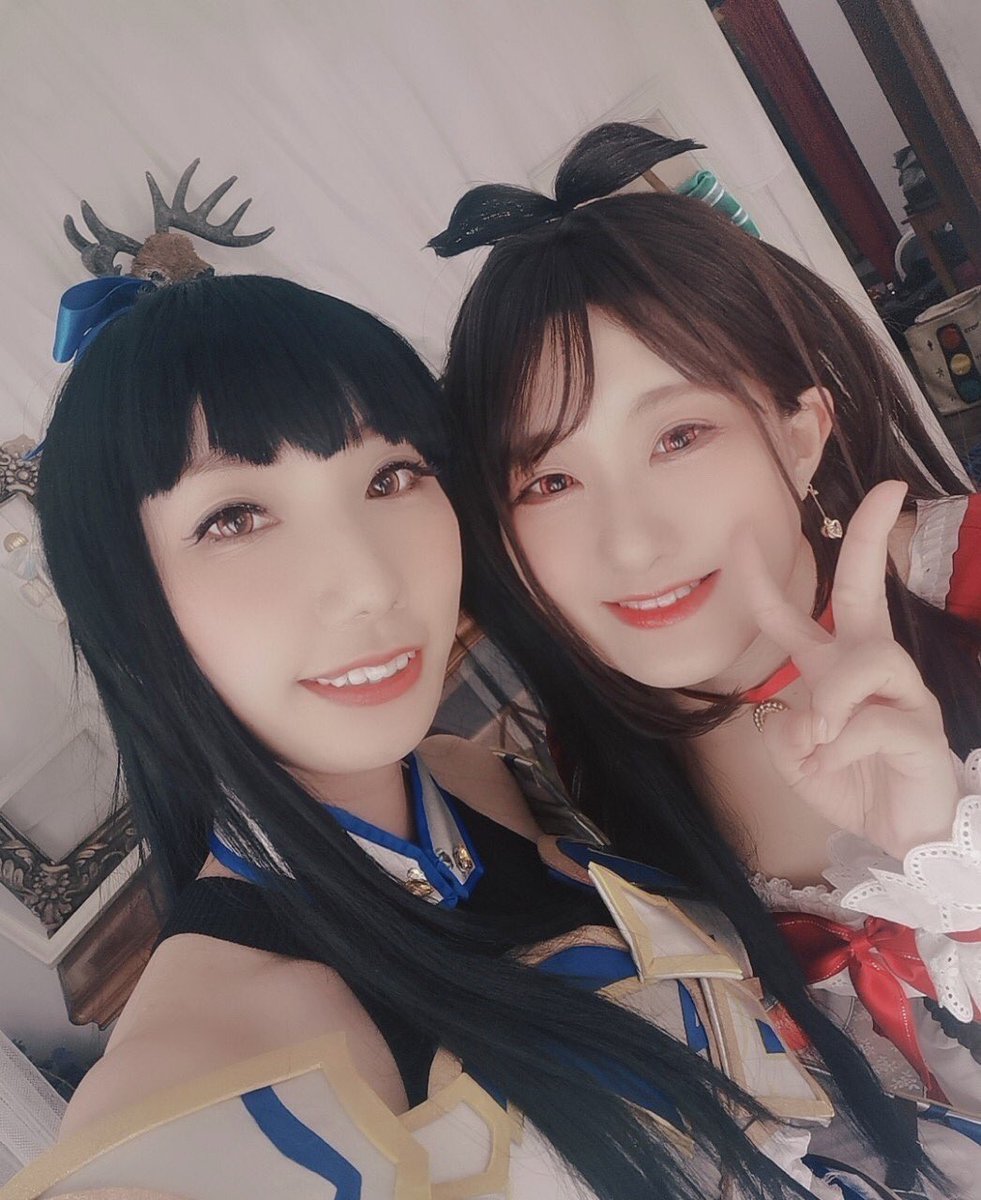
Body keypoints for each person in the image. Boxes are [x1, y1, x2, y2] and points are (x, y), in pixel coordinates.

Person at [1, 272, 865, 1200]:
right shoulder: (196, 1074)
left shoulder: (475, 778)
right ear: (124, 604)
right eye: (235, 518)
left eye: (391, 476)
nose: (370, 583)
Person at [432, 122, 981, 1198]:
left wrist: (943, 852)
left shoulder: (965, 579)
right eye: (548, 481)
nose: (631, 542)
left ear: (800, 432)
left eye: (677, 436)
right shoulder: (586, 782)